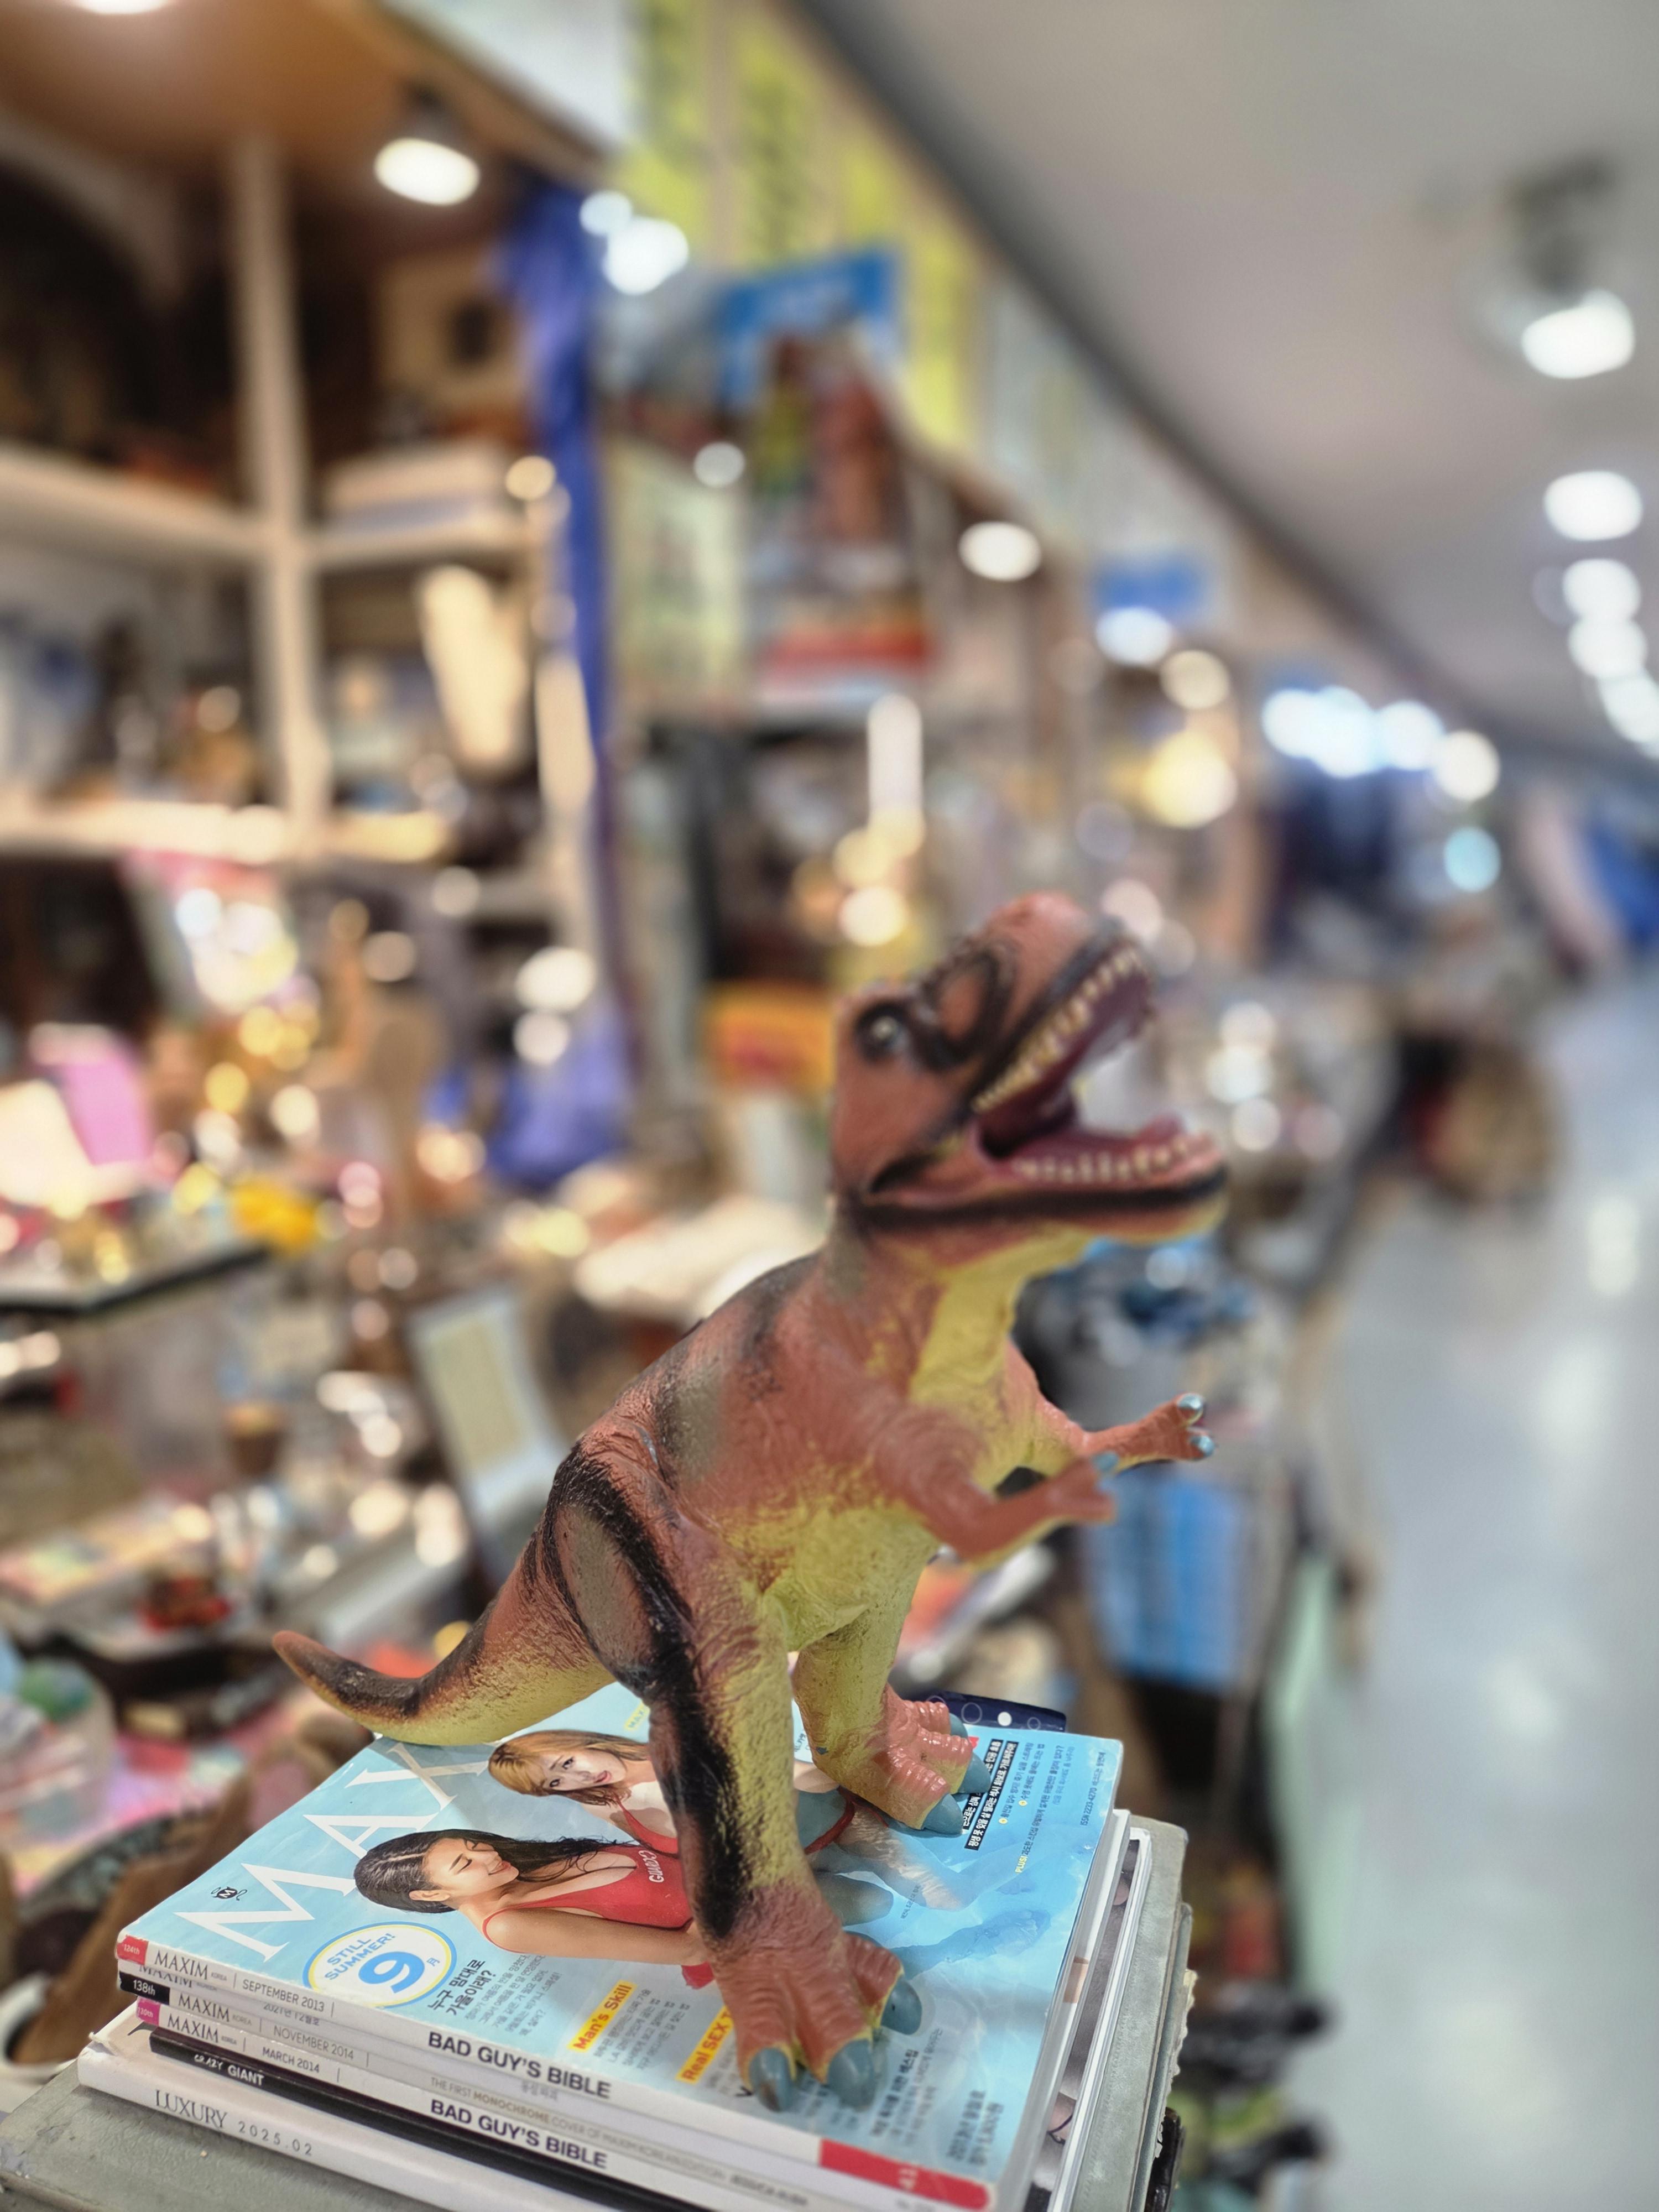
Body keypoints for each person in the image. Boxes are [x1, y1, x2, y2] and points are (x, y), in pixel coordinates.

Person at [354, 1829, 712, 1980]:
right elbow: (691, 1949)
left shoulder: (521, 1863)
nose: (488, 1855)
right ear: (432, 1895)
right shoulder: (510, 1926)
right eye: (465, 1864)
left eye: (473, 1846)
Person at [487, 1728, 854, 1853]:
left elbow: (823, 1782)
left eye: (566, 1763)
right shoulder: (600, 1805)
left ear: (577, 1741)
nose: (578, 1778)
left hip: (833, 1827)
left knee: (883, 1895)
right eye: (555, 1783)